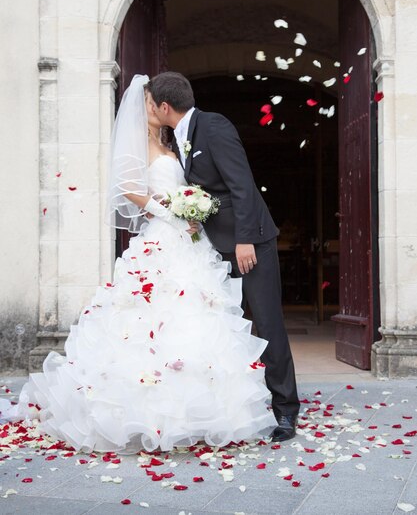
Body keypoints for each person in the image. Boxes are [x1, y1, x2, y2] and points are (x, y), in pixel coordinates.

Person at [0, 75, 274, 454]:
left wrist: (191, 212)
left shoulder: (175, 142)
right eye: (147, 101)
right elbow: (128, 189)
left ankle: (198, 412)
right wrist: (172, 211)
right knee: (153, 319)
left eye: (152, 100)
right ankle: (152, 414)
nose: (150, 105)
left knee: (197, 316)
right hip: (163, 236)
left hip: (189, 241)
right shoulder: (136, 144)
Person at [145, 71, 300, 442]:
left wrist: (246, 239)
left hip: (250, 244)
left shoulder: (213, 126)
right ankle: (247, 403)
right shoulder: (177, 137)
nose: (148, 108)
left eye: (151, 103)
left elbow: (241, 183)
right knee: (227, 324)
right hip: (212, 245)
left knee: (266, 321)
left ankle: (286, 412)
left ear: (165, 107)